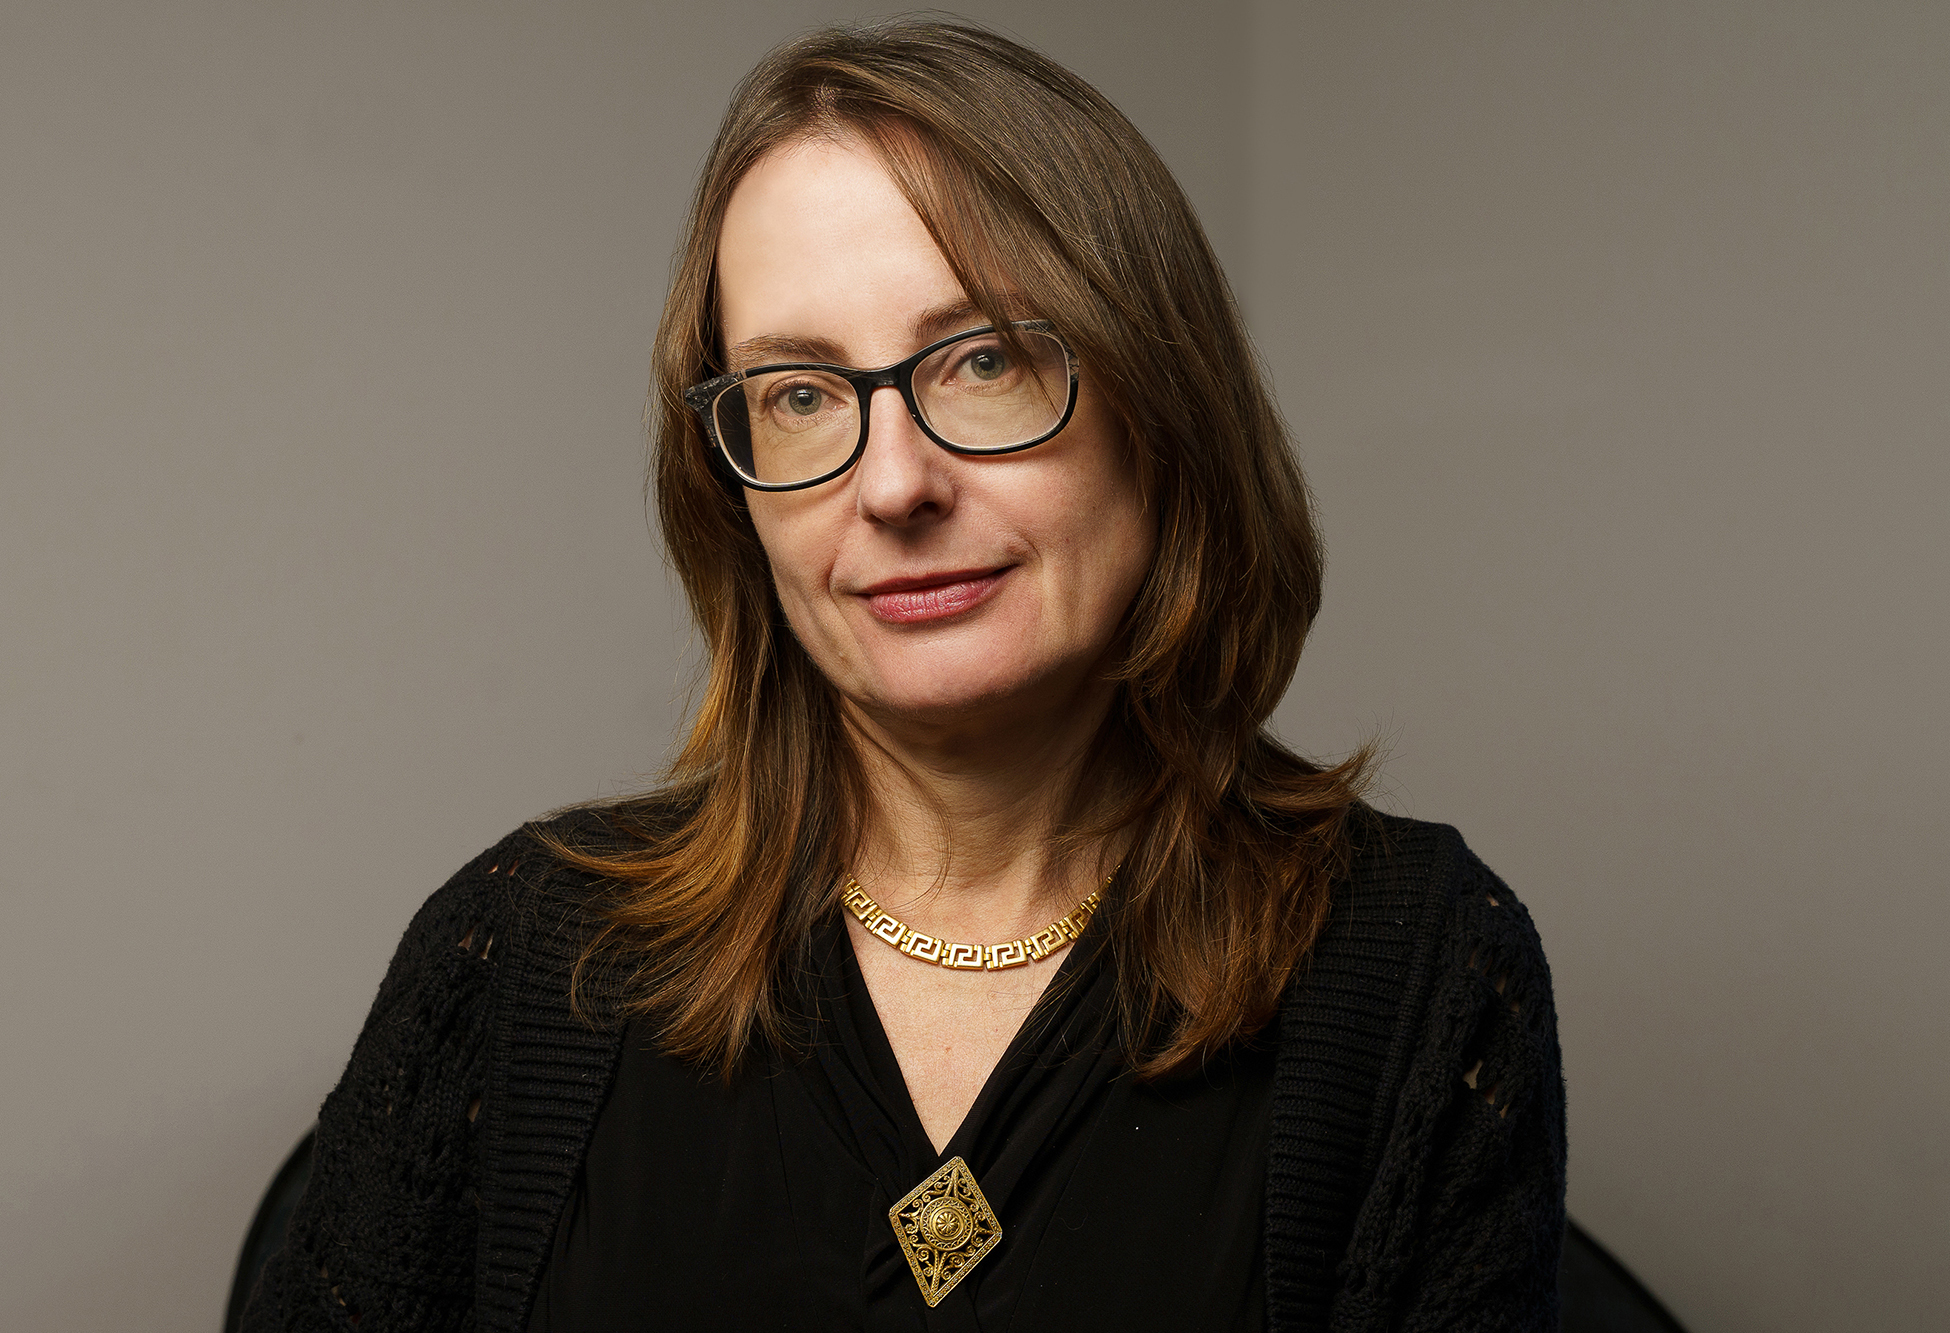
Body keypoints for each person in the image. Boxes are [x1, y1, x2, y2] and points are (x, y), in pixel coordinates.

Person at [244, 19, 1564, 1333]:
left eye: (983, 359)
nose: (891, 484)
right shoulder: (518, 957)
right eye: (800, 393)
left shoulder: (1418, 966)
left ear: (1164, 407)